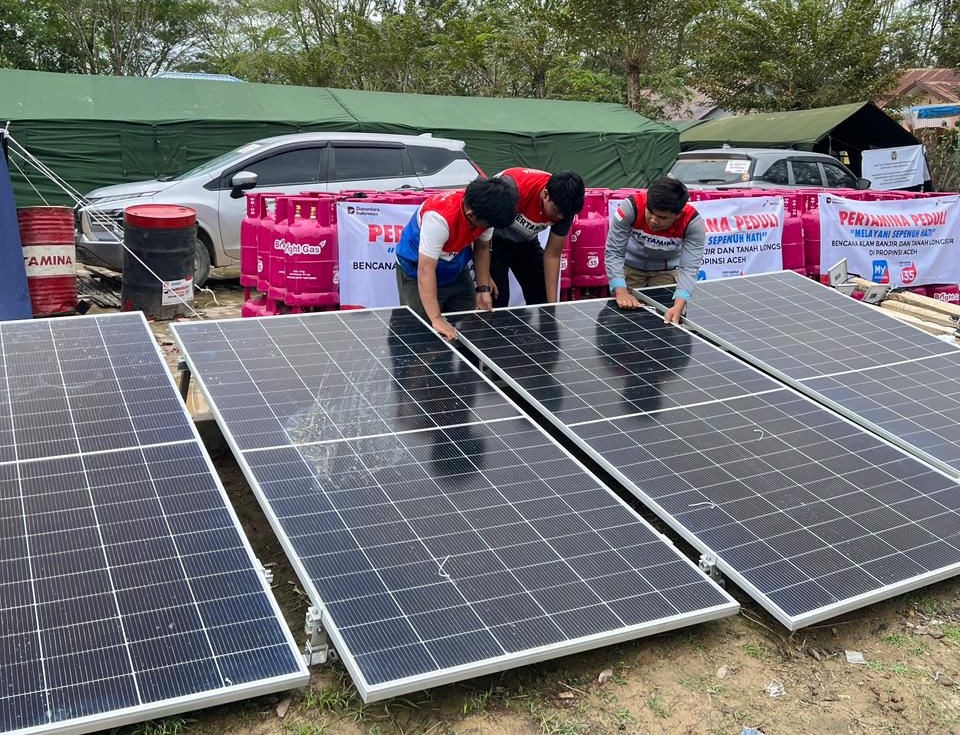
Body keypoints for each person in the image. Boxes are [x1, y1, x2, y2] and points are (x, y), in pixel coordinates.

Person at [395, 178, 517, 340]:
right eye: (486, 225)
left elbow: (481, 248)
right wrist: (437, 319)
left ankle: (466, 363)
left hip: (455, 266)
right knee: (422, 331)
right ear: (471, 215)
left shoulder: (487, 212)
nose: (487, 228)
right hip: (416, 269)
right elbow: (425, 270)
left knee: (469, 322)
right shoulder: (438, 218)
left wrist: (483, 288)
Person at [604, 177, 705, 325]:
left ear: (678, 215)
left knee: (668, 321)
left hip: (666, 271)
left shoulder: (692, 223)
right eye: (650, 212)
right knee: (623, 323)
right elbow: (614, 252)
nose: (653, 220)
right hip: (629, 268)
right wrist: (621, 291)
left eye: (662, 217)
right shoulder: (630, 207)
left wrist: (679, 305)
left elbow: (689, 268)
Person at [490, 168, 585, 307]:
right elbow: (480, 228)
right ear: (546, 195)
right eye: (556, 211)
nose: (559, 218)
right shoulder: (511, 188)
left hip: (526, 240)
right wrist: (484, 278)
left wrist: (552, 306)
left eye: (564, 215)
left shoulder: (567, 206)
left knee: (542, 292)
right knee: (498, 297)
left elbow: (552, 254)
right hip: (493, 240)